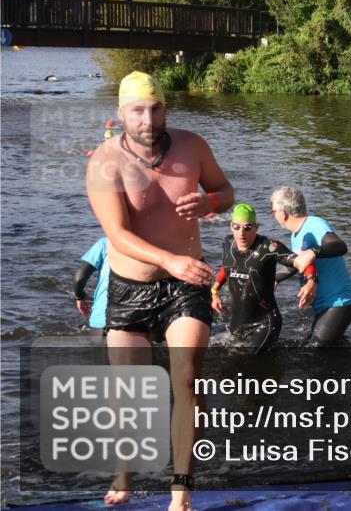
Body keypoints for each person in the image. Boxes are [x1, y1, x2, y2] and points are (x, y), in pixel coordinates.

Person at [86, 71, 234, 510]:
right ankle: (124, 474)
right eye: (137, 110)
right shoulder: (104, 163)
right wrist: (168, 259)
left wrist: (211, 203)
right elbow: (117, 234)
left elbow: (226, 191)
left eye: (155, 109)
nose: (147, 119)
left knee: (186, 379)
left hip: (185, 284)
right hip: (131, 286)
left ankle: (181, 489)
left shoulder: (192, 146)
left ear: (166, 109)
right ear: (121, 114)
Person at [208, 203, 316, 355]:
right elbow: (227, 267)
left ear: (256, 227)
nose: (241, 233)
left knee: (251, 363)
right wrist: (214, 291)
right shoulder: (228, 242)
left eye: (247, 227)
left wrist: (311, 281)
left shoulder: (269, 247)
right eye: (236, 227)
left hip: (264, 322)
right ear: (230, 225)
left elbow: (301, 261)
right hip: (237, 322)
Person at [270, 187, 351, 345]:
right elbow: (298, 264)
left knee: (315, 352)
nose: (274, 215)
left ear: (282, 213)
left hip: (339, 303)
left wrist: (313, 251)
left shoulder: (315, 224)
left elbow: (339, 246)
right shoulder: (296, 234)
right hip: (324, 305)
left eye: (273, 211)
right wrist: (275, 279)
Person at [73, 236, 111, 336]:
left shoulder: (105, 243)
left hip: (102, 319)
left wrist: (79, 297)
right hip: (141, 320)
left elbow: (79, 278)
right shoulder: (152, 245)